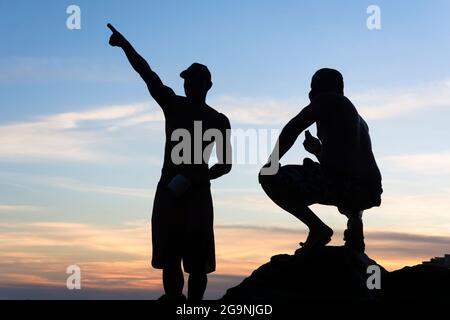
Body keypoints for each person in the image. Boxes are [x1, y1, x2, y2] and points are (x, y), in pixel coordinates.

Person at [107, 24, 232, 301]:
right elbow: (146, 73)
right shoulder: (172, 105)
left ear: (208, 85)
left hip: (197, 192)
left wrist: (197, 178)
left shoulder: (218, 120)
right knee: (170, 252)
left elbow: (225, 165)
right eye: (186, 80)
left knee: (198, 259)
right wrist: (126, 46)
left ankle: (195, 306)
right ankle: (175, 301)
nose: (189, 84)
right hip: (168, 189)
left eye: (195, 80)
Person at [259, 68, 382, 254]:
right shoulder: (357, 118)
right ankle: (355, 227)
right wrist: (318, 150)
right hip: (367, 190)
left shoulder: (329, 99)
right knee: (333, 177)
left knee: (268, 176)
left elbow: (293, 127)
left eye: (312, 88)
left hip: (343, 184)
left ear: (317, 89)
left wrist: (272, 161)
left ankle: (318, 228)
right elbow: (345, 160)